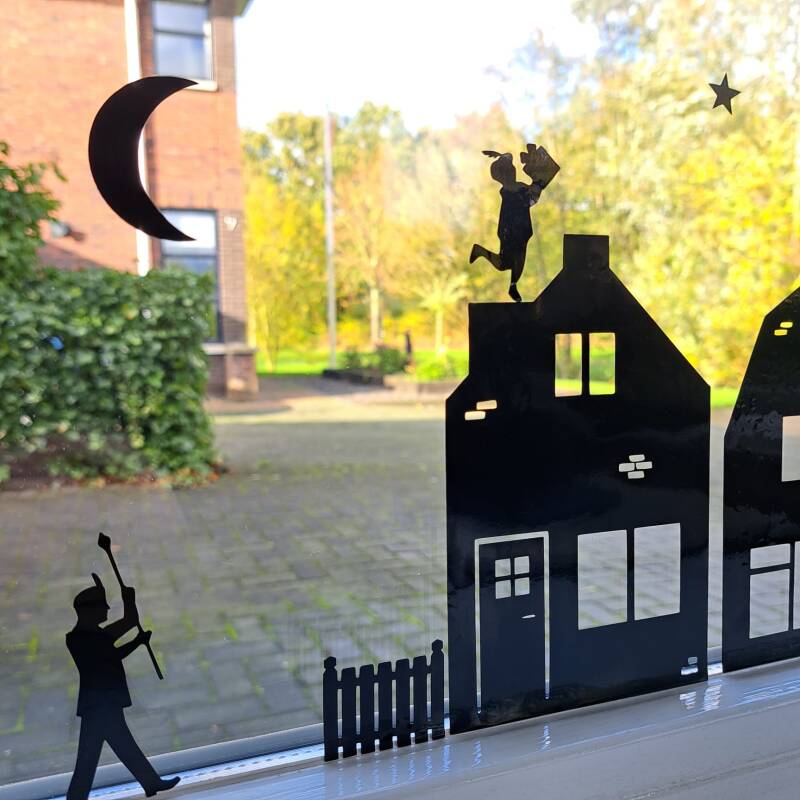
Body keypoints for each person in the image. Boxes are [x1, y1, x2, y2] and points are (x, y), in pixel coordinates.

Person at [66, 574, 180, 800]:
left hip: (102, 703)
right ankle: (149, 782)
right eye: (103, 604)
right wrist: (129, 604)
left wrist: (135, 633)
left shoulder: (94, 636)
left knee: (114, 749)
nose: (108, 608)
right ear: (89, 610)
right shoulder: (79, 639)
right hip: (99, 704)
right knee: (94, 756)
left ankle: (150, 782)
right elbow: (115, 647)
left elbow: (120, 637)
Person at [470, 145, 559, 302]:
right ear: (502, 176)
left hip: (519, 230)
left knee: (517, 260)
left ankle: (513, 286)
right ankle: (482, 253)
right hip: (511, 230)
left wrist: (501, 155)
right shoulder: (512, 190)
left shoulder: (517, 187)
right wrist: (537, 184)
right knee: (506, 262)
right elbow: (530, 198)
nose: (513, 171)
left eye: (512, 169)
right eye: (509, 171)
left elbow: (531, 198)